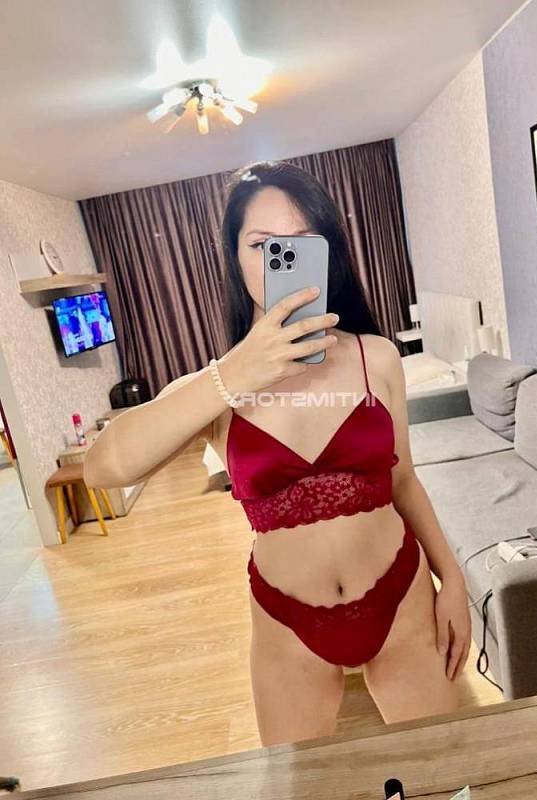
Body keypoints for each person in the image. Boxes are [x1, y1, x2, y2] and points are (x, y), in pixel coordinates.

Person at [83, 160, 471, 746]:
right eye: (261, 244)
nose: (278, 259)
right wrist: (231, 376)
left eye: (299, 242)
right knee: (301, 782)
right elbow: (104, 467)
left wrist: (454, 580)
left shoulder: (377, 357)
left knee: (440, 770)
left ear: (326, 252)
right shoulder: (215, 388)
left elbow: (404, 483)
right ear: (234, 257)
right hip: (286, 624)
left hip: (402, 598)